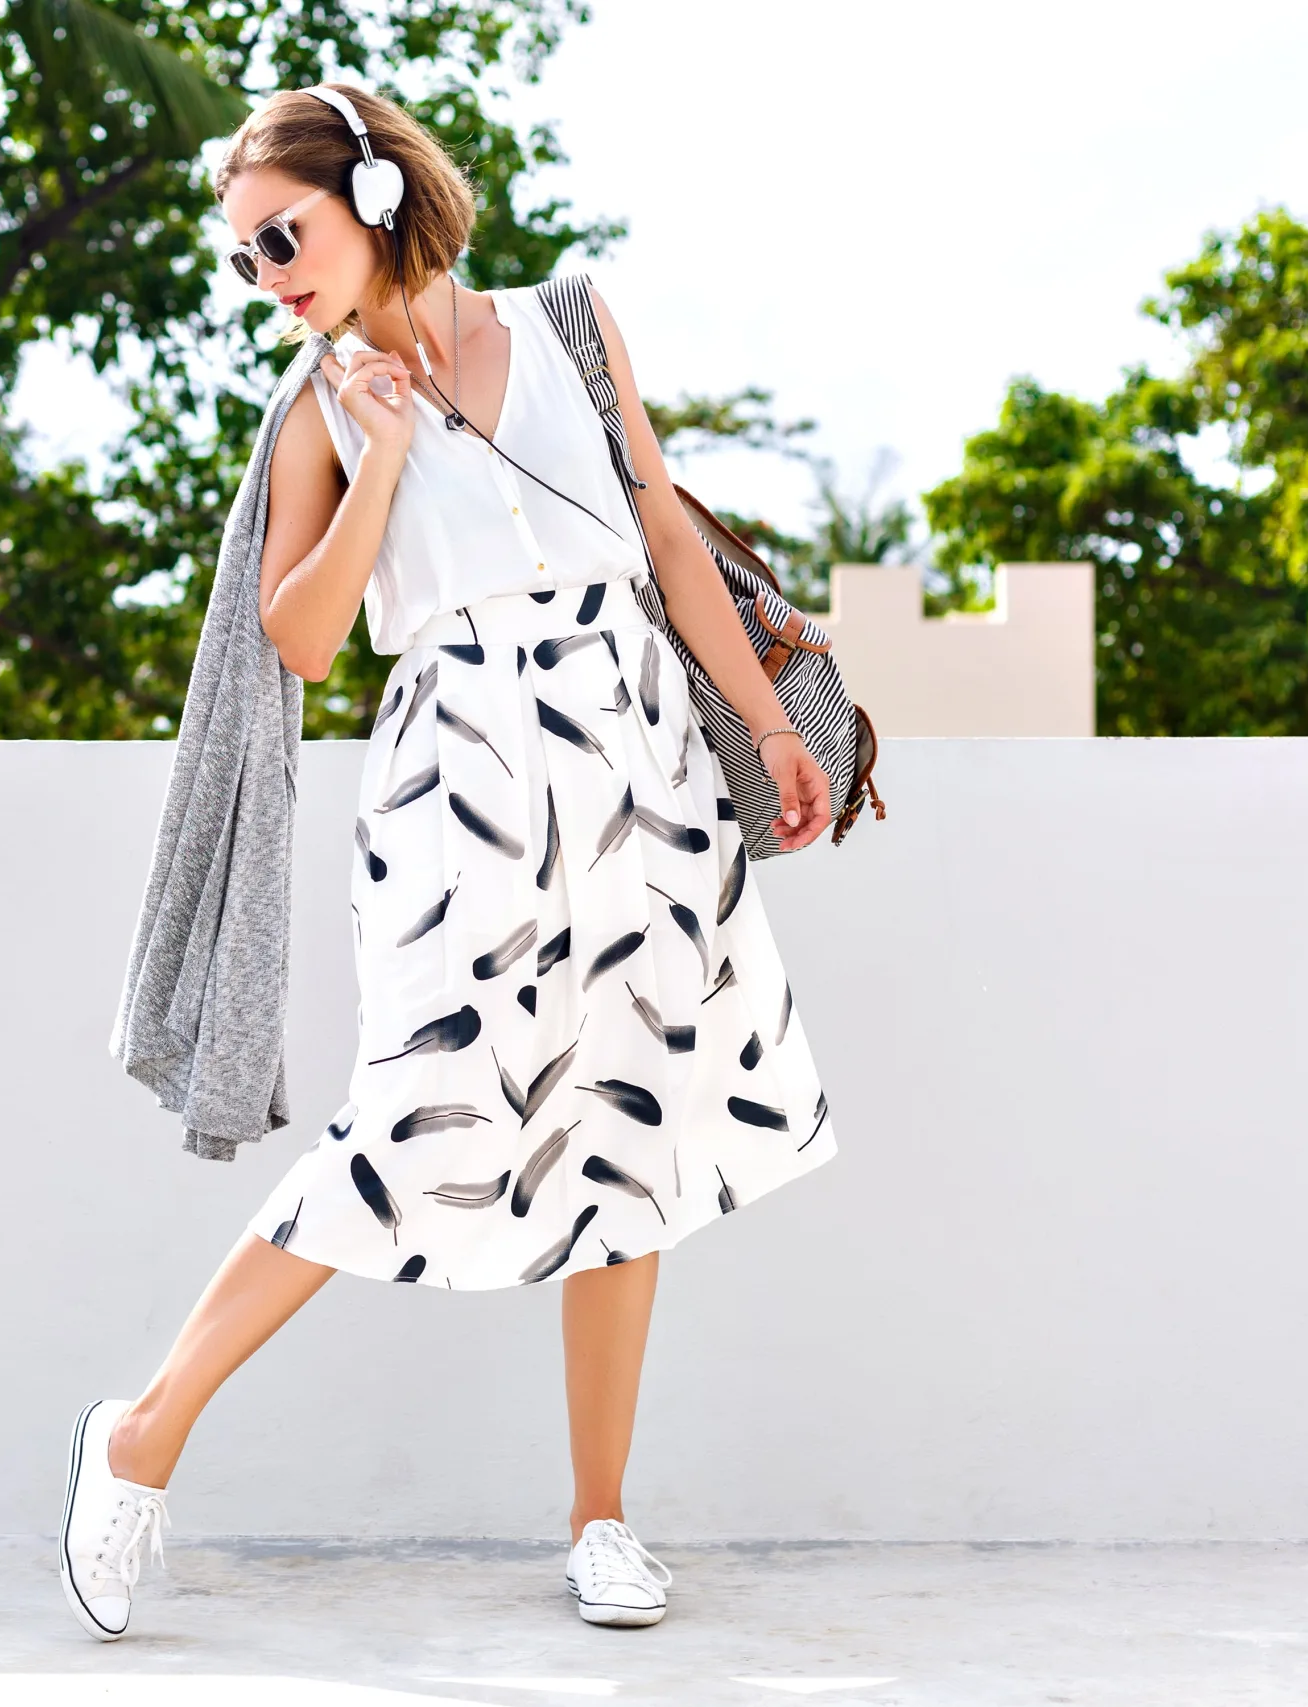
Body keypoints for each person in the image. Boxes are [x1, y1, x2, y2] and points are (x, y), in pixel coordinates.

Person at [61, 80, 840, 1641]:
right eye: (245, 259)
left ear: (368, 193)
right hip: (459, 783)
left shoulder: (565, 320)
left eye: (280, 235)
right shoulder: (315, 412)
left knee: (633, 1127)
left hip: (640, 762)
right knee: (406, 1121)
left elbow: (671, 541)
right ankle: (140, 1432)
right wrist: (386, 464)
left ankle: (601, 1517)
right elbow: (301, 634)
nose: (266, 273)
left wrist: (768, 728)